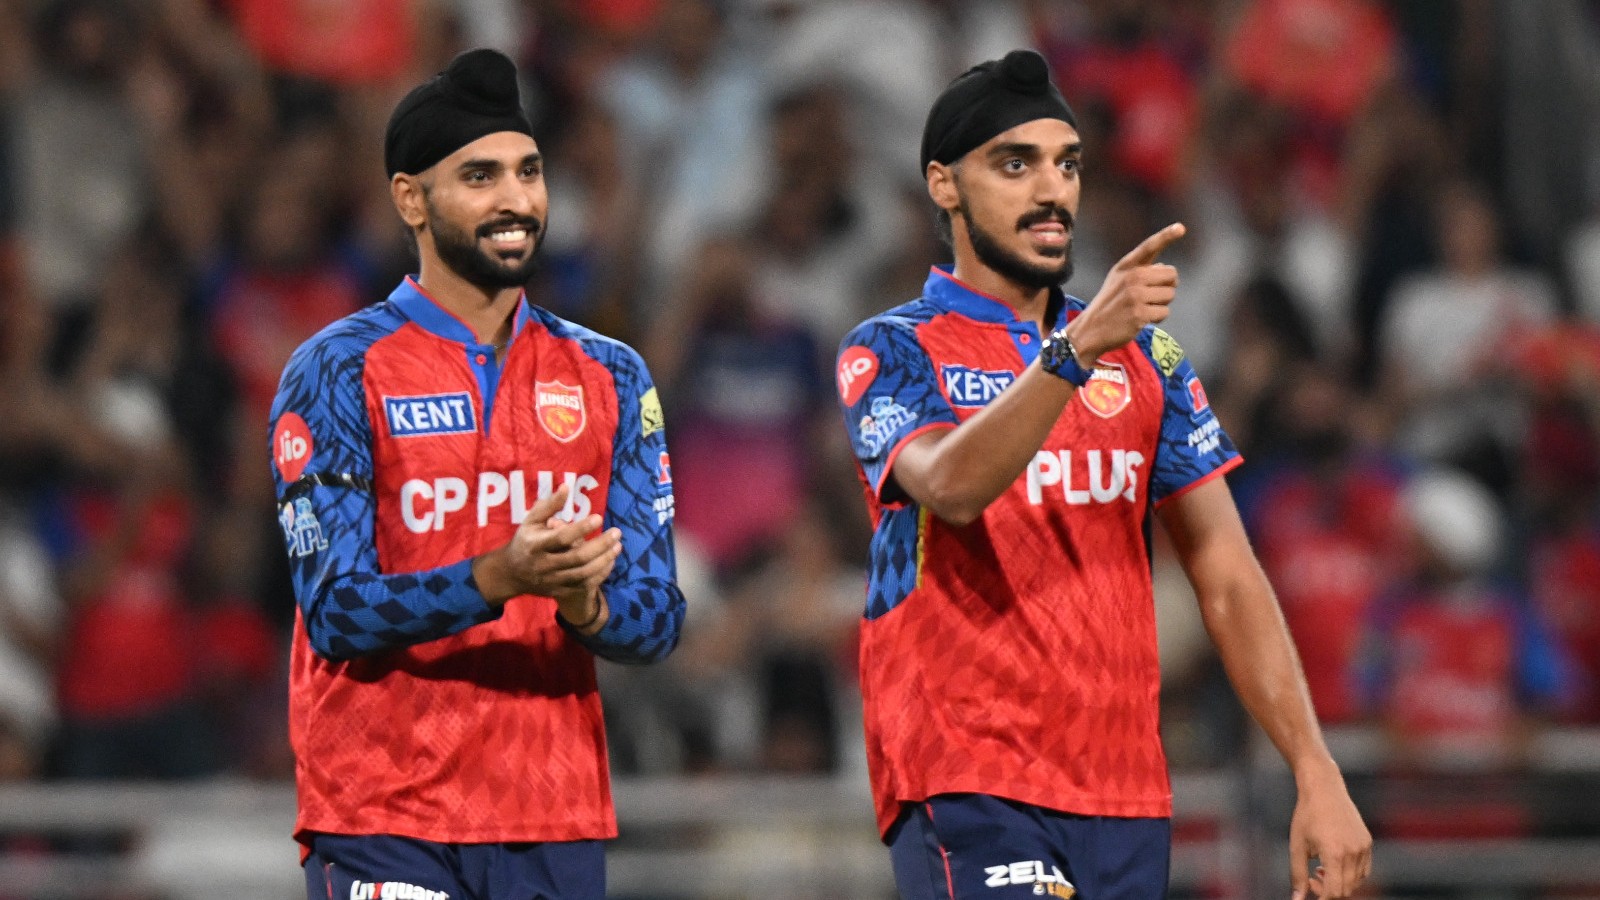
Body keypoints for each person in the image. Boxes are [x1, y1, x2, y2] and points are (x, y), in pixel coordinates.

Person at [835, 50, 1371, 899]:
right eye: (1015, 164)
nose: (1052, 190)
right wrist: (1077, 349)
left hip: (1123, 792)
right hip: (969, 776)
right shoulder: (892, 346)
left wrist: (1314, 767)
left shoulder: (1148, 353)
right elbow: (950, 486)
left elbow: (1227, 572)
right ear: (944, 185)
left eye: (1067, 163)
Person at [267, 48, 685, 900]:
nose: (516, 201)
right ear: (410, 199)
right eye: (480, 176)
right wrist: (501, 576)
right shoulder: (339, 368)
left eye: (529, 172)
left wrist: (584, 603)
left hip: (552, 814)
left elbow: (660, 619)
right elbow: (336, 608)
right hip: (384, 809)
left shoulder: (612, 375)